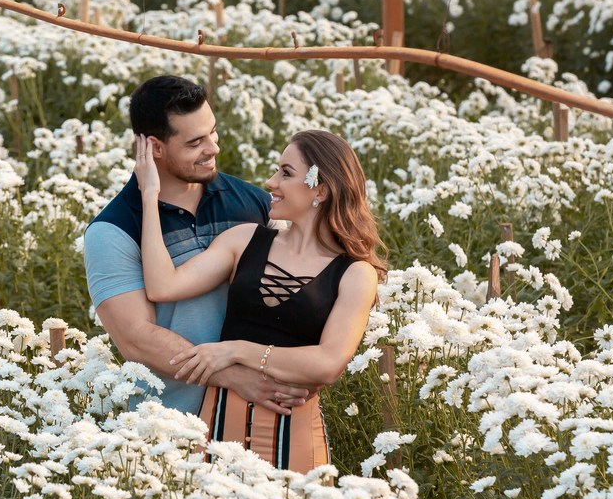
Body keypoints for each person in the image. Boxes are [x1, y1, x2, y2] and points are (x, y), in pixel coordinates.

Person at [135, 128, 386, 472]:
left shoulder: (356, 273)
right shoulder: (244, 239)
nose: (270, 182)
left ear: (322, 189)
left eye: (286, 173)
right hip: (216, 431)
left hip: (294, 442)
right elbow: (162, 286)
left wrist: (235, 351)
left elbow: (328, 363)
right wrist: (150, 196)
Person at [83, 76, 316, 416]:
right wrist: (234, 377)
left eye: (213, 132)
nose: (213, 148)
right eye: (195, 143)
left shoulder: (255, 204)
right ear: (154, 147)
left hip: (260, 415)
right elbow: (137, 338)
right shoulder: (113, 229)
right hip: (169, 425)